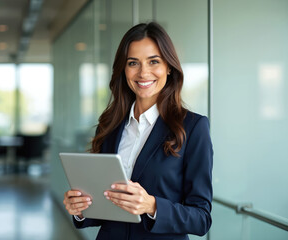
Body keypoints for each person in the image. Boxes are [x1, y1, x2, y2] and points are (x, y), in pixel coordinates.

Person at [63, 22, 213, 240]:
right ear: (124, 69)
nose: (143, 72)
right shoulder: (110, 125)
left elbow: (201, 219)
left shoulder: (193, 127)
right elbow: (106, 205)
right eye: (133, 63)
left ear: (168, 67)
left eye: (154, 61)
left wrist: (152, 206)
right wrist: (81, 208)